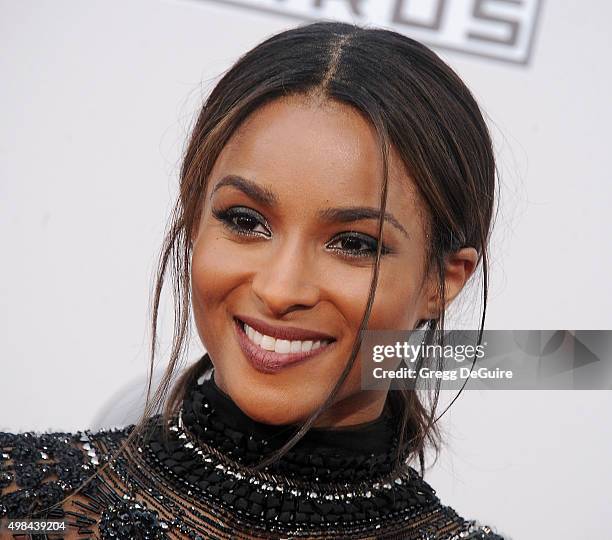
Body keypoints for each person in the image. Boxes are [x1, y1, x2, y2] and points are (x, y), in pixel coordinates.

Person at [0, 21, 505, 539]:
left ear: (441, 282)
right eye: (245, 221)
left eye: (354, 243)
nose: (280, 290)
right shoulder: (26, 508)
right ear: (196, 217)